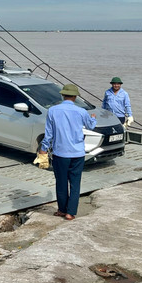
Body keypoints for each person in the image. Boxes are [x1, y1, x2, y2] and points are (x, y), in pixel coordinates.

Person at [34, 84, 96, 221]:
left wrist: (43, 148)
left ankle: (62, 210)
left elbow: (49, 134)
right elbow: (91, 126)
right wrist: (93, 117)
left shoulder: (52, 111)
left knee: (61, 182)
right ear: (75, 96)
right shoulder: (81, 112)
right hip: (78, 153)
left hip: (60, 153)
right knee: (75, 183)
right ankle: (71, 213)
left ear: (62, 95)